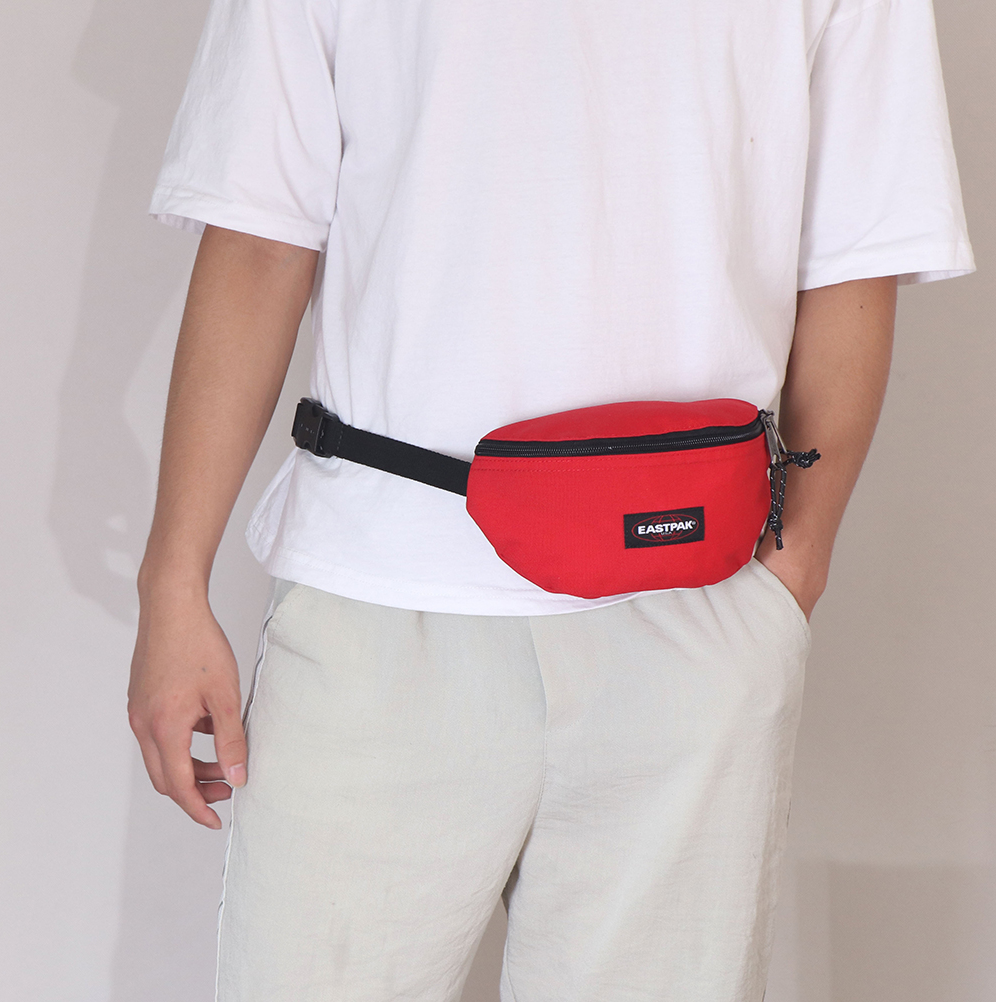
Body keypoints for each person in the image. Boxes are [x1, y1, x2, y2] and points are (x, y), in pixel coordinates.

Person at [128, 0, 973, 999]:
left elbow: (854, 255)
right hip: (381, 594)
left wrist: (791, 574)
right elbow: (262, 233)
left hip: (692, 613)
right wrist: (173, 583)